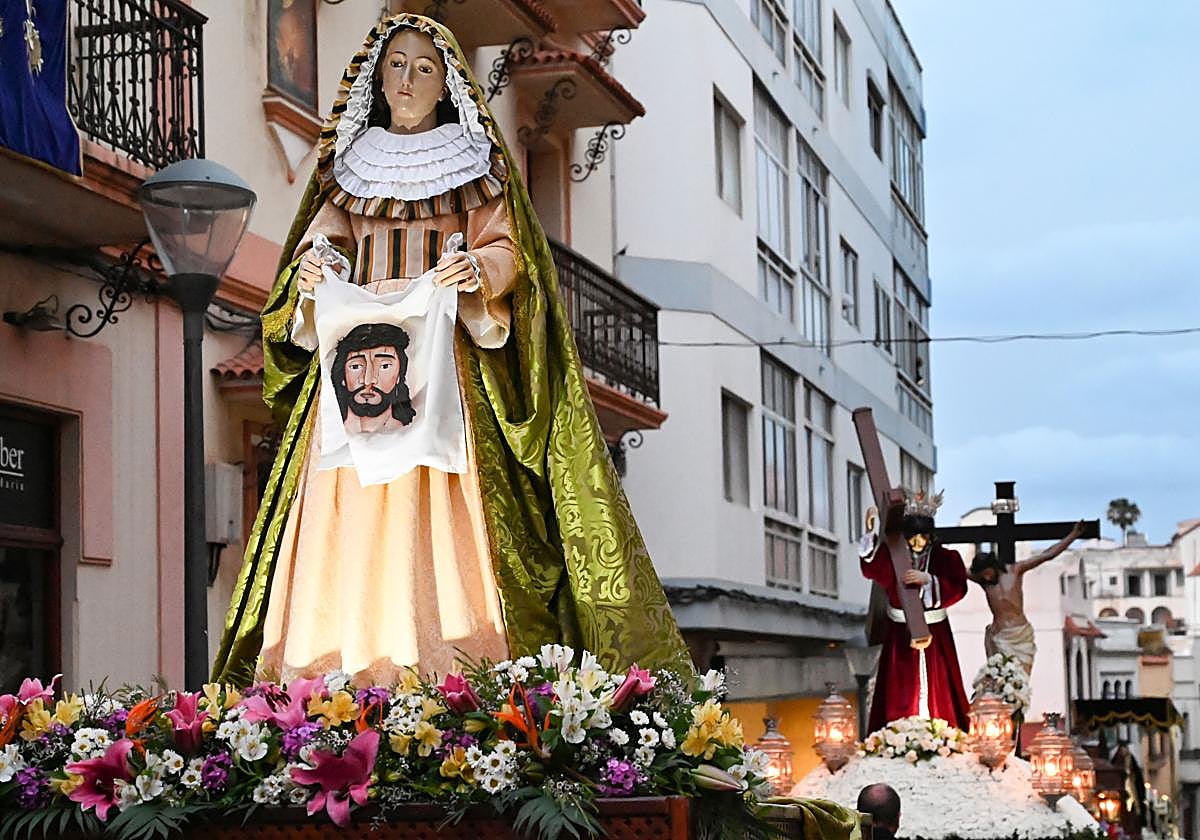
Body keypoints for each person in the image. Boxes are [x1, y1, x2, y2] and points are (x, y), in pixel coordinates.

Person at [211, 14, 691, 687]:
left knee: (437, 512)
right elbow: (320, 247)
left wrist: (478, 275)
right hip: (353, 375)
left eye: (424, 68)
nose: (407, 79)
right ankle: (338, 671)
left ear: (447, 86)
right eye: (397, 65)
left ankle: (446, 668)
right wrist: (314, 271)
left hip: (440, 368)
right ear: (378, 77)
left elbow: (506, 249)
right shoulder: (352, 165)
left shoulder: (470, 162)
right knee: (339, 512)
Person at [860, 490, 970, 731]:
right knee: (900, 688)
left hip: (936, 632)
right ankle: (898, 734)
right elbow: (872, 569)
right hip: (899, 634)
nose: (917, 543)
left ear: (931, 537)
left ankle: (942, 731)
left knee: (940, 687)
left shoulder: (947, 558)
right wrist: (870, 533)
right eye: (912, 538)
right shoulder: (894, 557)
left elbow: (959, 587)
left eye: (923, 537)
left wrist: (928, 580)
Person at [969, 520, 1086, 676]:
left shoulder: (1016, 571)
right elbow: (954, 568)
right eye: (982, 575)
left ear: (993, 565)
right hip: (999, 636)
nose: (986, 576)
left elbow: (1047, 555)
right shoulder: (984, 582)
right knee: (999, 678)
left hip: (1020, 634)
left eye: (987, 572)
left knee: (1020, 680)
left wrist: (1073, 536)